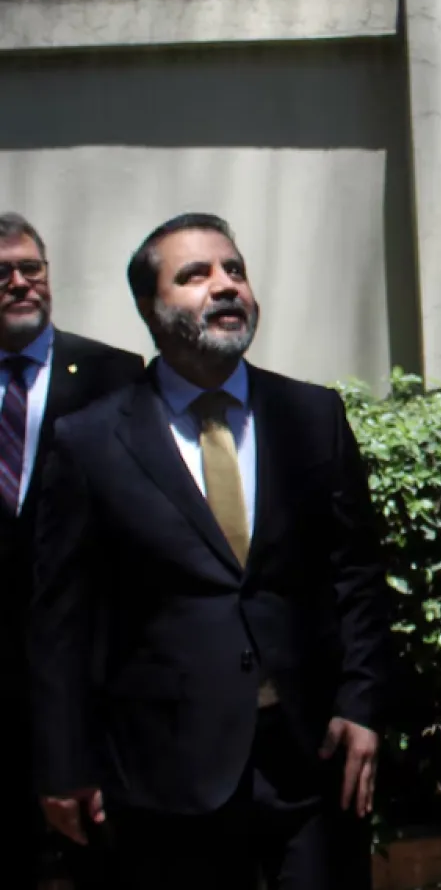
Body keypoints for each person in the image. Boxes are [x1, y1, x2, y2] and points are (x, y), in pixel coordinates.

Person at [30, 213, 390, 890]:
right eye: (195, 275)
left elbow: (356, 577)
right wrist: (62, 761)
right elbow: (61, 623)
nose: (225, 286)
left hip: (310, 760)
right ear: (150, 306)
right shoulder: (92, 441)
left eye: (235, 270)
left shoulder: (312, 417)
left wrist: (361, 705)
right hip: (162, 775)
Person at [0, 213, 142, 887]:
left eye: (33, 269)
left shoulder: (115, 374)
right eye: (3, 274)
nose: (21, 283)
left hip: (90, 681)